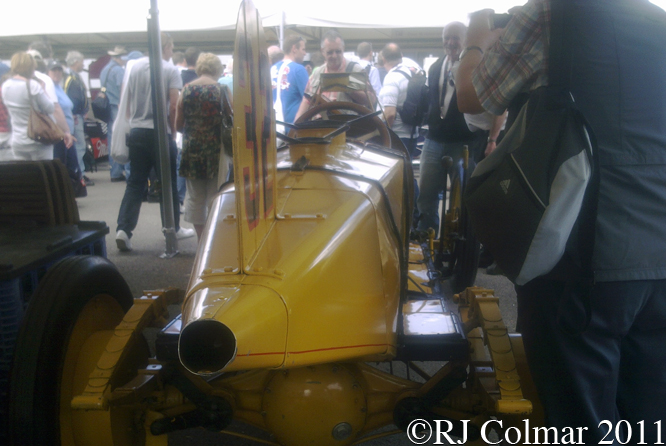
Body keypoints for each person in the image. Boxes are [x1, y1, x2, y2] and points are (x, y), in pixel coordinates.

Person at [456, 1, 666, 442]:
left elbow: (474, 96)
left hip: (584, 255)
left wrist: (475, 34)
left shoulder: (556, 12)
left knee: (581, 421)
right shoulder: (656, 21)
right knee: (647, 418)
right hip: (658, 252)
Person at [416, 22, 501, 234]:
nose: (451, 42)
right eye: (447, 37)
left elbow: (497, 107)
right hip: (434, 139)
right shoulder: (435, 67)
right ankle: (427, 241)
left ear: (466, 41)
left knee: (462, 197)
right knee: (426, 194)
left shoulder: (475, 68)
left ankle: (456, 242)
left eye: (456, 37)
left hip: (464, 142)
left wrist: (492, 139)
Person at [115, 32, 195, 252]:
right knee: (167, 183)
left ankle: (123, 230)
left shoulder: (134, 68)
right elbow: (173, 105)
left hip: (138, 131)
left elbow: (127, 100)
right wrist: (173, 133)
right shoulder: (170, 70)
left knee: (135, 183)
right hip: (160, 132)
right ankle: (171, 227)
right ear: (167, 47)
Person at [175, 53, 232, 240]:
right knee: (215, 195)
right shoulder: (222, 90)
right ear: (217, 69)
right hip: (216, 150)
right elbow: (233, 121)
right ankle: (213, 240)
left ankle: (201, 240)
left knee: (194, 196)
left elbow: (178, 125)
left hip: (192, 150)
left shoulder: (186, 90)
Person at [295, 31, 375, 120]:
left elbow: (371, 99)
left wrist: (348, 87)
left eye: (338, 51)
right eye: (330, 52)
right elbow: (306, 101)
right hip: (319, 129)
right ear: (323, 51)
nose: (334, 56)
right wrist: (295, 126)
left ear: (343, 49)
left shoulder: (356, 70)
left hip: (347, 129)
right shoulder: (317, 73)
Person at [1, 52, 56, 160]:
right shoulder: (32, 85)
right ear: (29, 67)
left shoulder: (6, 86)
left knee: (24, 174)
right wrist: (43, 89)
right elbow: (50, 108)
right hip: (37, 139)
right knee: (44, 173)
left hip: (17, 141)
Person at [378, 43, 418, 158]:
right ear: (401, 55)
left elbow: (390, 114)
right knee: (406, 171)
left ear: (383, 59)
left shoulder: (392, 77)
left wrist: (384, 136)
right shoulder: (410, 73)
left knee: (397, 173)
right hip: (412, 134)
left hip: (397, 136)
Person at [47, 60, 82, 189]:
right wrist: (66, 131)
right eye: (53, 70)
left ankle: (71, 193)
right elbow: (55, 109)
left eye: (59, 70)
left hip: (68, 132)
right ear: (48, 72)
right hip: (60, 133)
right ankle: (65, 194)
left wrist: (71, 116)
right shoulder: (49, 87)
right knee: (63, 166)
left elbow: (64, 106)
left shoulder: (58, 87)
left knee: (70, 165)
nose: (57, 73)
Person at [101, 45, 130, 182]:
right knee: (120, 138)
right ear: (119, 57)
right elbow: (122, 89)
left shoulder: (105, 70)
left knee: (112, 138)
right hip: (117, 107)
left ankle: (114, 171)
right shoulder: (118, 70)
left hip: (108, 107)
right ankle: (118, 170)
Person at [64, 50, 93, 186]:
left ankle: (81, 172)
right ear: (75, 62)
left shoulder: (74, 77)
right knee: (79, 145)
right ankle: (80, 173)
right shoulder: (70, 78)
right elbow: (71, 98)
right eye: (82, 61)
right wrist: (75, 113)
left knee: (79, 145)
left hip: (77, 115)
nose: (83, 64)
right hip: (75, 116)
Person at [272, 35, 309, 132]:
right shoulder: (299, 70)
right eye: (303, 49)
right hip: (292, 132)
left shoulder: (271, 69)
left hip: (272, 130)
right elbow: (309, 100)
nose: (305, 53)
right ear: (294, 49)